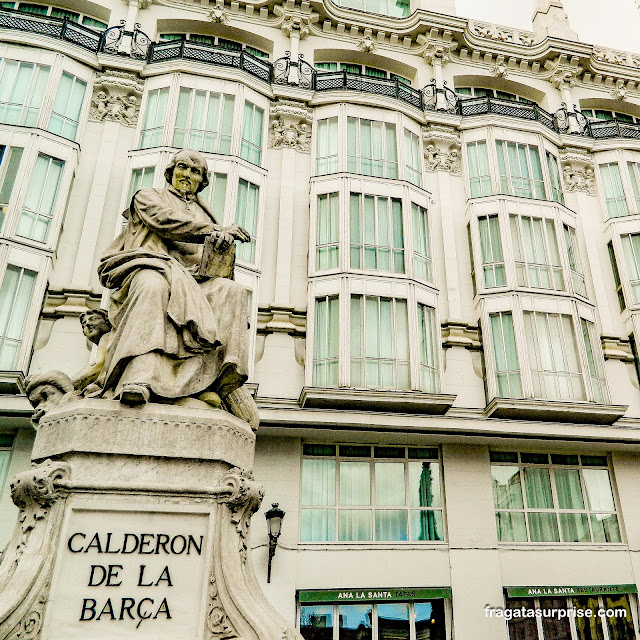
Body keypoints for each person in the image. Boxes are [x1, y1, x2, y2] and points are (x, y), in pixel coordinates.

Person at [96, 149, 251, 406]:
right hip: (150, 263)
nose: (186, 175)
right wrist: (216, 230)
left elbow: (209, 259)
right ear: (170, 171)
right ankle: (139, 378)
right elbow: (165, 221)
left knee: (231, 291)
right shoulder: (147, 196)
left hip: (192, 278)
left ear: (202, 180)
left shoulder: (206, 213)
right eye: (182, 167)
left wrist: (221, 250)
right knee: (153, 286)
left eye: (194, 171)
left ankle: (204, 383)